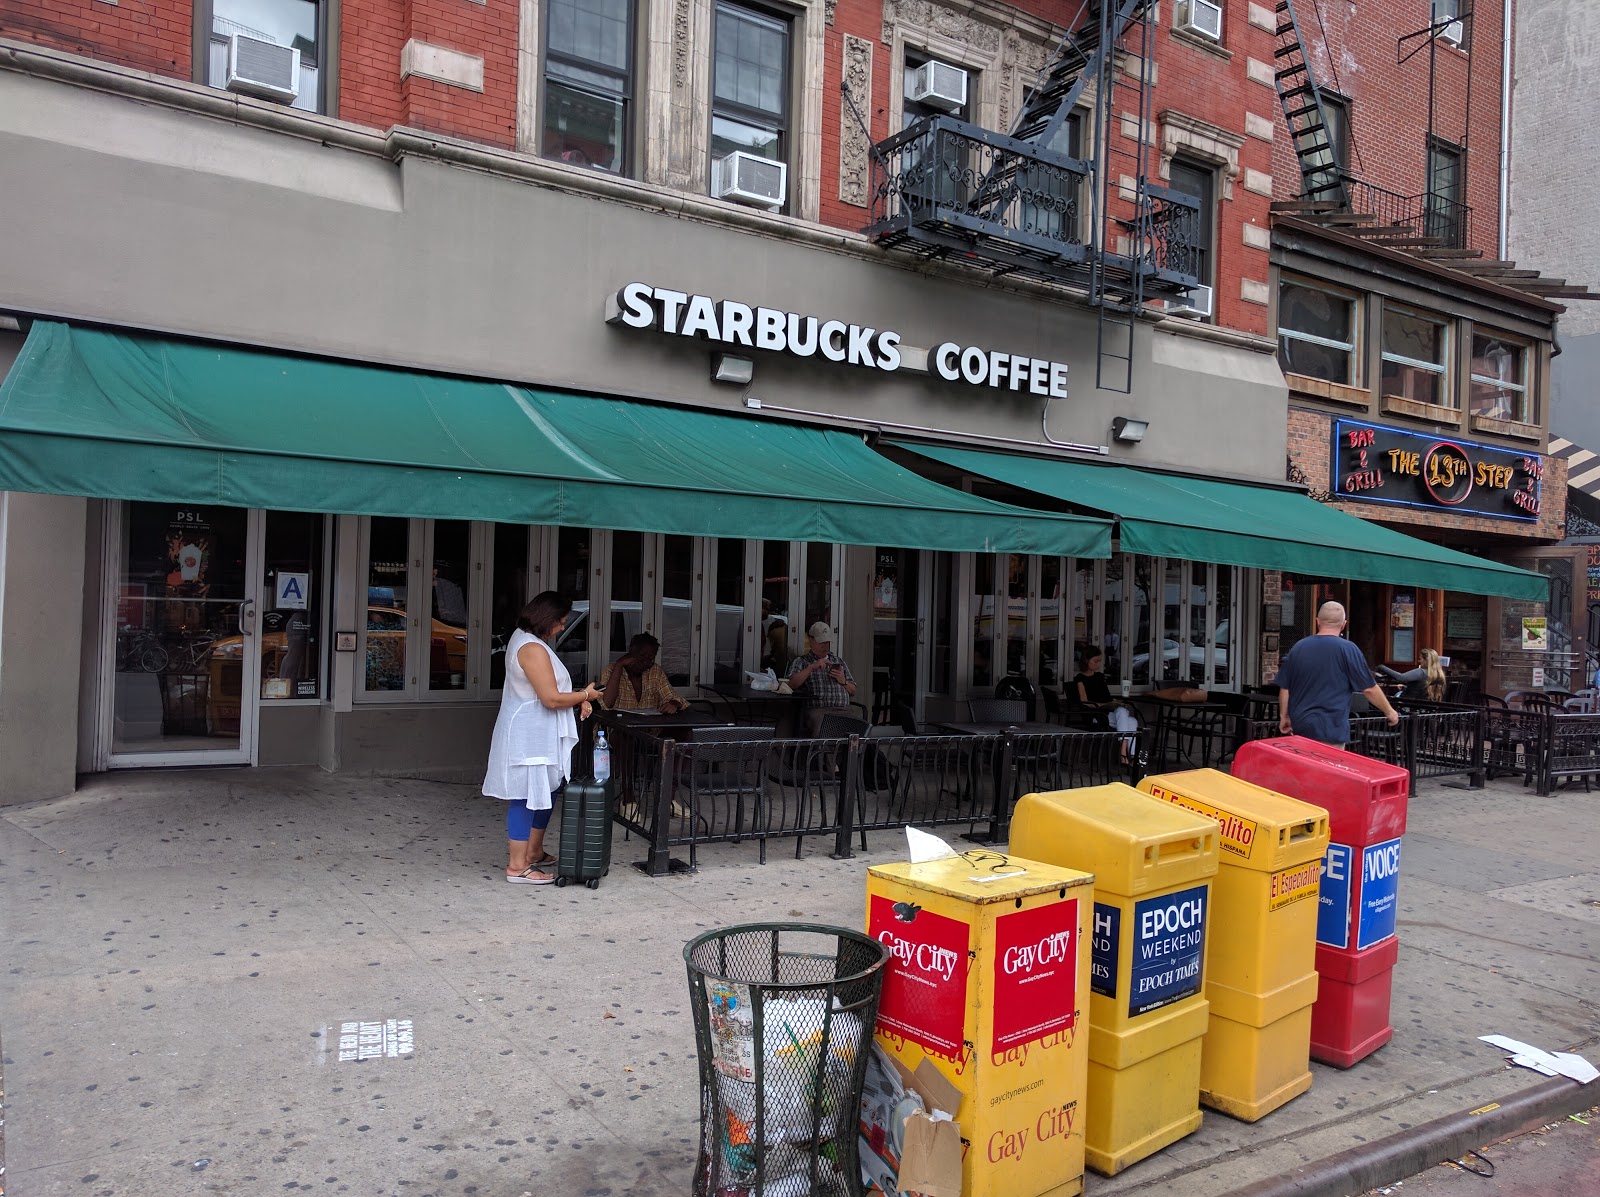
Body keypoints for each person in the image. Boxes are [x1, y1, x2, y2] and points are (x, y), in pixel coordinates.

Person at [482, 591, 602, 885]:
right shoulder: (531, 647)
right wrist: (585, 695)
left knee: (547, 791)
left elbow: (552, 690)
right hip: (529, 735)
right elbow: (550, 698)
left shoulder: (528, 641)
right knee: (525, 797)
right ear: (546, 619)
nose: (562, 628)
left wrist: (576, 698)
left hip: (538, 732)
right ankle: (517, 866)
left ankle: (533, 851)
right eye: (560, 622)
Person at [1276, 601, 1400, 746]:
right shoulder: (1348, 649)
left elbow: (1285, 688)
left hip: (1301, 727)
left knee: (1304, 768)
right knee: (1328, 768)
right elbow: (1368, 688)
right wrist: (1389, 711)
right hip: (1331, 728)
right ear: (1343, 624)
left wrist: (1284, 716)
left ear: (1317, 622)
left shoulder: (1298, 647)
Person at [787, 621, 857, 734]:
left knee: (861, 731)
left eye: (827, 642)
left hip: (844, 710)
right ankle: (826, 752)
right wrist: (811, 668)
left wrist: (843, 681)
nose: (825, 646)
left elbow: (853, 691)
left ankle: (855, 752)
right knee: (826, 730)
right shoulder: (802, 661)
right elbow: (791, 684)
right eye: (821, 642)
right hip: (819, 711)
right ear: (811, 640)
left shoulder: (838, 661)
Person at [1071, 647, 1139, 756]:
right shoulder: (1080, 679)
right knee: (1129, 719)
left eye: (1099, 661)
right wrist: (1103, 705)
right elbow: (1085, 702)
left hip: (1107, 712)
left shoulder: (1100, 677)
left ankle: (1127, 753)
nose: (1098, 664)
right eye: (1095, 661)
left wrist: (1114, 702)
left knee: (1129, 717)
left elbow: (1106, 696)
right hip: (1095, 714)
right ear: (1086, 661)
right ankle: (1128, 755)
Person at [600, 632, 687, 714]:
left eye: (651, 658)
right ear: (631, 652)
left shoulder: (655, 671)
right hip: (616, 728)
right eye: (641, 656)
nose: (646, 662)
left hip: (647, 728)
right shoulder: (611, 670)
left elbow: (677, 699)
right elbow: (607, 704)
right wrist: (619, 665)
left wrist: (674, 704)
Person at [1378, 648, 1447, 702]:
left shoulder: (1421, 672)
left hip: (1408, 706)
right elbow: (1422, 691)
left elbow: (1401, 677)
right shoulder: (1440, 676)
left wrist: (1382, 667)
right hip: (1426, 709)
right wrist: (1405, 688)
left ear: (1426, 660)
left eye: (1420, 659)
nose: (1419, 661)